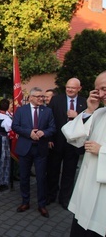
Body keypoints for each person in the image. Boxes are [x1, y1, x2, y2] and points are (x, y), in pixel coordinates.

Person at [62, 71, 106, 237]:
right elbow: (72, 136)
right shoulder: (99, 113)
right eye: (97, 90)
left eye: (104, 89)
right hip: (87, 190)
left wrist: (101, 151)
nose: (101, 95)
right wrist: (89, 109)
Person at [12, 87, 55, 218]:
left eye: (42, 96)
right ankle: (25, 202)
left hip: (40, 149)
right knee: (24, 177)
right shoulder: (21, 110)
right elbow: (15, 126)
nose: (41, 98)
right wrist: (29, 133)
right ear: (30, 98)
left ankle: (42, 205)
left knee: (41, 178)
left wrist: (44, 133)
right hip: (25, 148)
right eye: (38, 96)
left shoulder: (47, 111)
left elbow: (53, 128)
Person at [46, 78, 87, 209]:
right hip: (57, 142)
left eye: (73, 88)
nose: (69, 89)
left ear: (79, 89)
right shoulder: (56, 100)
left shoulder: (84, 103)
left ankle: (65, 199)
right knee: (53, 170)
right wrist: (49, 139)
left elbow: (89, 123)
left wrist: (78, 116)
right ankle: (51, 195)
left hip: (73, 144)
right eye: (68, 87)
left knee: (69, 173)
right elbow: (50, 120)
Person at [0, 98, 12, 187]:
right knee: (3, 159)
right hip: (3, 139)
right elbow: (9, 129)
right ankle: (2, 181)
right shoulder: (7, 119)